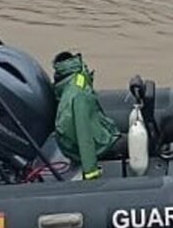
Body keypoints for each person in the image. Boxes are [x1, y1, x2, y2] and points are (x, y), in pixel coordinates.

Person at [52, 51, 122, 181]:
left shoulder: (67, 84)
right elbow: (83, 133)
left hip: (72, 141)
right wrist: (91, 172)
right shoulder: (79, 93)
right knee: (138, 141)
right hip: (92, 146)